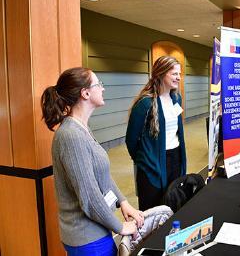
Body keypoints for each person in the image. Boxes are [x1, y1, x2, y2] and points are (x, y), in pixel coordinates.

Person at [41, 67, 144, 256]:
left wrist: (123, 202)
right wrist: (120, 227)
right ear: (85, 93)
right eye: (99, 84)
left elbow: (100, 174)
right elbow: (89, 198)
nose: (102, 89)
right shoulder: (71, 136)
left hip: (97, 230)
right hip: (86, 238)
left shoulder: (82, 128)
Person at [126, 56, 187, 211]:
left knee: (174, 205)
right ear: (161, 73)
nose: (178, 78)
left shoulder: (176, 98)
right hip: (153, 165)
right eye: (174, 74)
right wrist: (145, 159)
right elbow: (131, 140)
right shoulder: (145, 103)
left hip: (175, 159)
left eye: (179, 74)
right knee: (154, 210)